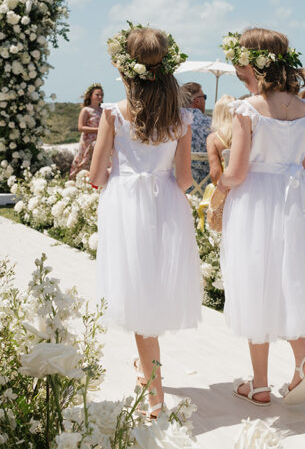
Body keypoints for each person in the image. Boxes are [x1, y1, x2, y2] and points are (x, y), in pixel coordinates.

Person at [214, 28, 305, 407]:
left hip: (256, 199)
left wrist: (219, 186)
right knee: (285, 278)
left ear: (254, 61)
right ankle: (302, 358)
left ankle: (260, 384)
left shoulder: (248, 108)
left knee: (255, 281)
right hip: (296, 198)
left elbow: (238, 170)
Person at [90, 25, 201, 417]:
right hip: (166, 202)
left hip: (126, 204)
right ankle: (147, 369)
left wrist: (116, 179)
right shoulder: (182, 117)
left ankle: (155, 398)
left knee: (137, 295)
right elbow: (186, 179)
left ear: (124, 70)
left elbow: (96, 175)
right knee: (152, 290)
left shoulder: (113, 114)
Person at [69, 83, 104, 178]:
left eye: (101, 95)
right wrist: (98, 129)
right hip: (87, 142)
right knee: (83, 162)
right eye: (97, 94)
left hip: (99, 141)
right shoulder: (86, 110)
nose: (100, 97)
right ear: (91, 95)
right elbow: (81, 127)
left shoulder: (103, 110)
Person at [181, 81, 212, 185]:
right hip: (205, 188)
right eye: (205, 97)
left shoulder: (170, 126)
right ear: (197, 101)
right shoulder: (211, 125)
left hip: (176, 186)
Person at [206, 94, 235, 184]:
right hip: (247, 186)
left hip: (225, 187)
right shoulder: (246, 134)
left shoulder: (213, 138)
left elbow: (215, 173)